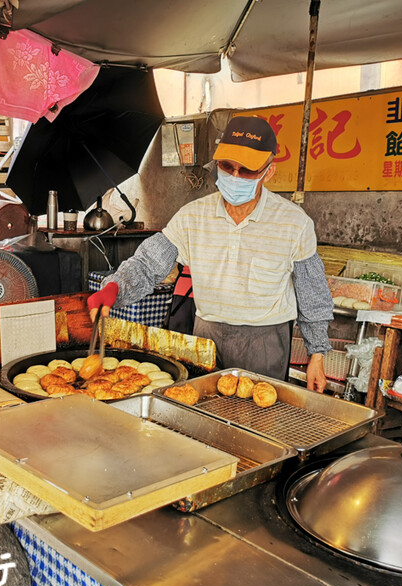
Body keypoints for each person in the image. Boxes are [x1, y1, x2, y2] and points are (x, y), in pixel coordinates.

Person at [88, 116, 333, 391]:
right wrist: (114, 289)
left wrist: (317, 354)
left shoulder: (294, 223)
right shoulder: (192, 216)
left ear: (269, 171)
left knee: (256, 424)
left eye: (247, 170)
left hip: (265, 344)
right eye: (227, 166)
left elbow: (313, 297)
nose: (235, 177)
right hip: (206, 338)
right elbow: (148, 264)